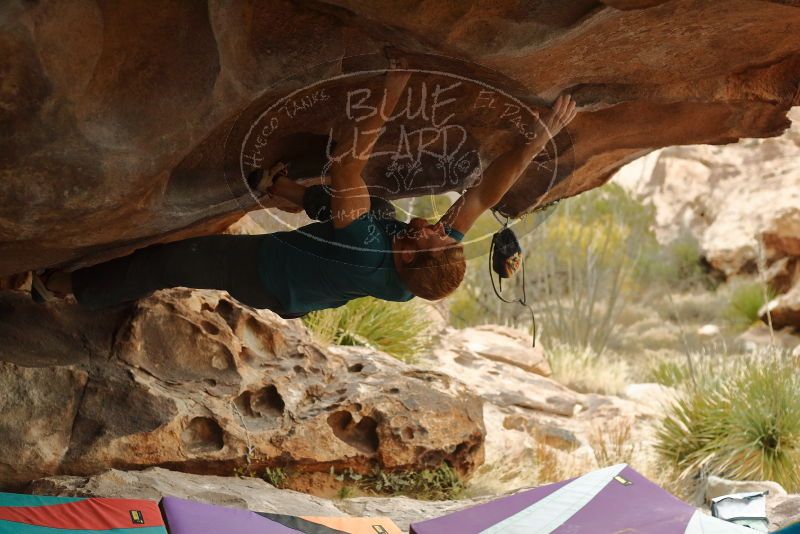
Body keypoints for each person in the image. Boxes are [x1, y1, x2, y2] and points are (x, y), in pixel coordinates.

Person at [33, 62, 577, 318]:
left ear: (408, 253)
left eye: (432, 234)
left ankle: (67, 288)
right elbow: (482, 196)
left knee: (171, 260)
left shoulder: (370, 248)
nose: (438, 226)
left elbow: (348, 170)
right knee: (373, 207)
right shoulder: (423, 261)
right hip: (312, 276)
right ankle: (281, 189)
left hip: (267, 274)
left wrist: (391, 91)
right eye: (442, 231)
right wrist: (539, 141)